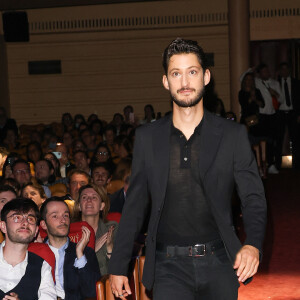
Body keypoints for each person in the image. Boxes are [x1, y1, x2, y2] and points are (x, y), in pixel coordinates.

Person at [108, 38, 267, 299]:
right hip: (167, 266)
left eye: (192, 72)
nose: (184, 83)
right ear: (165, 81)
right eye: (176, 74)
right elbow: (135, 205)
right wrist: (118, 265)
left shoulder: (232, 135)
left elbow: (253, 198)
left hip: (220, 262)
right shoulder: (148, 137)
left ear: (206, 76)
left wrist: (253, 244)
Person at [40, 197, 101, 299]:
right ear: (43, 224)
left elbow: (92, 293)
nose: (63, 220)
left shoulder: (85, 252)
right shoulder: (34, 253)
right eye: (55, 216)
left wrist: (80, 255)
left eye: (66, 215)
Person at [0, 198, 56, 299]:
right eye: (17, 217)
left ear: (36, 231)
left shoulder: (43, 267)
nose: (25, 222)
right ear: (3, 226)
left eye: (30, 219)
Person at [74, 184, 118, 275]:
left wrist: (110, 250)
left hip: (107, 285)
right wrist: (91, 251)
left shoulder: (112, 229)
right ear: (79, 206)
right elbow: (69, 271)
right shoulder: (71, 231)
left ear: (102, 206)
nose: (89, 200)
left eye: (94, 197)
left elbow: (119, 268)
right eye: (84, 197)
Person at [255, 63, 282, 173]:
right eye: (264, 71)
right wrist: (250, 69)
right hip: (261, 116)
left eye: (267, 71)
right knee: (260, 140)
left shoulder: (274, 83)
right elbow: (242, 78)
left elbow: (282, 100)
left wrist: (275, 93)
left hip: (272, 115)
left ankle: (271, 164)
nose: (266, 73)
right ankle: (261, 164)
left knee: (271, 141)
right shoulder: (256, 82)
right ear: (260, 73)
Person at [277, 62, 300, 169]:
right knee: (279, 138)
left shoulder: (296, 83)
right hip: (280, 113)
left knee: (295, 138)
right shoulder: (276, 83)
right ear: (280, 71)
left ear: (289, 70)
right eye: (282, 69)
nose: (284, 71)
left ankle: (296, 164)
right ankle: (277, 163)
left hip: (292, 113)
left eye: (286, 69)